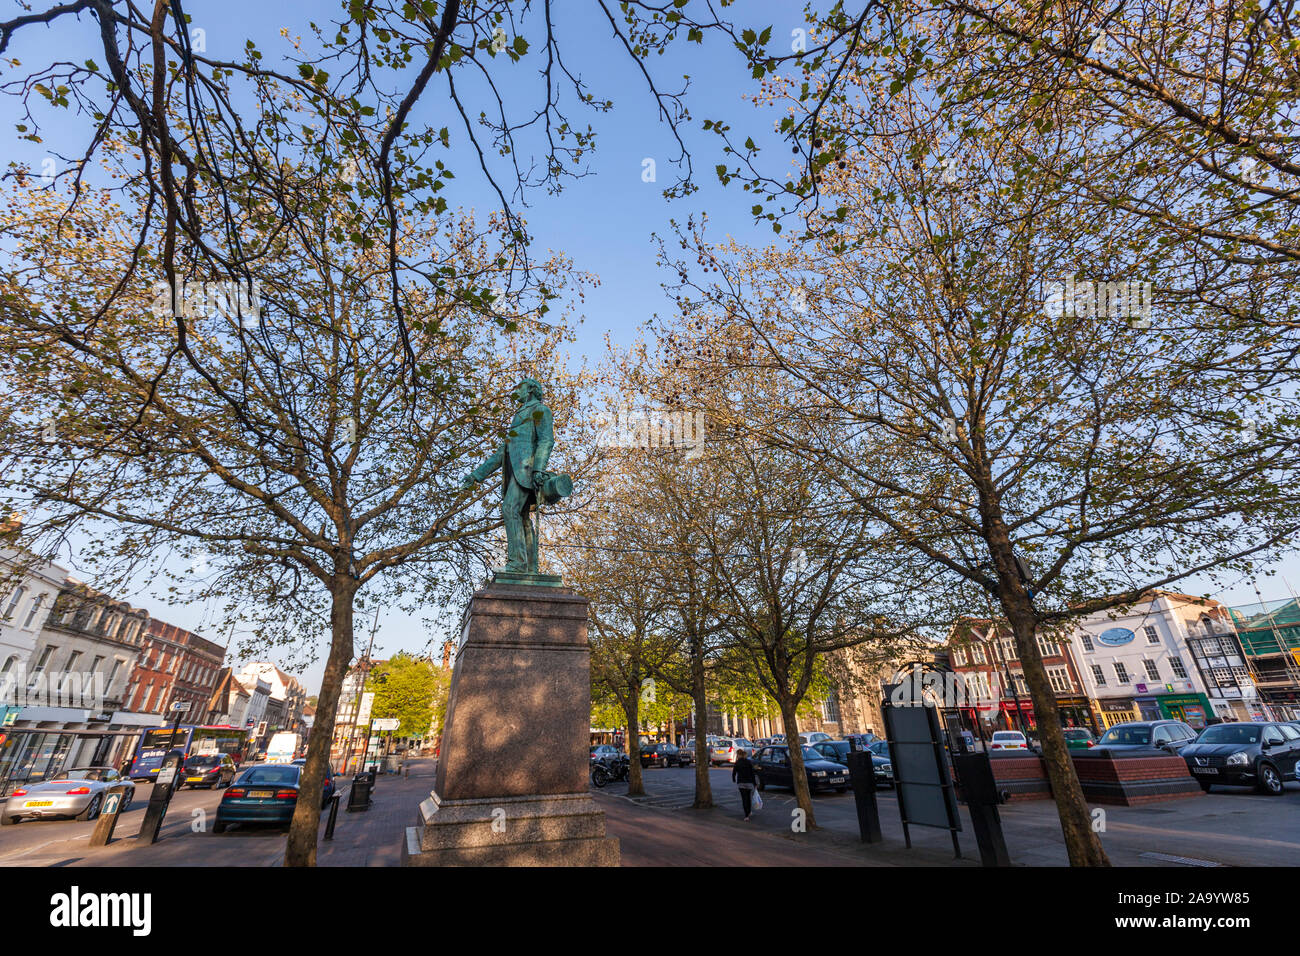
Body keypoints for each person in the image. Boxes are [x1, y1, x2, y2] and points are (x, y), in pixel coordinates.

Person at [732, 748, 756, 821]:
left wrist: (734, 779)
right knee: (749, 798)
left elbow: (734, 773)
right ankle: (749, 812)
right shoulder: (749, 762)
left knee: (744, 799)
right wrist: (754, 783)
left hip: (741, 783)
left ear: (739, 755)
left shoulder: (737, 763)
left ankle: (746, 816)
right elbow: (752, 773)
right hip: (749, 782)